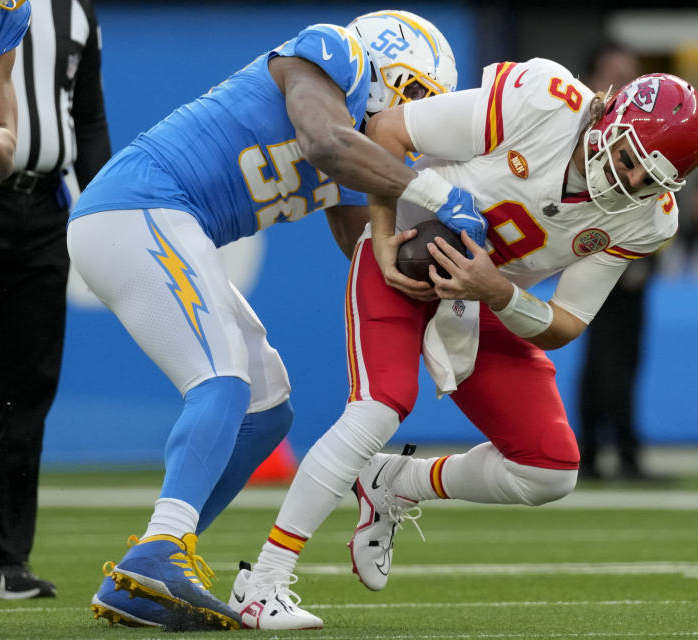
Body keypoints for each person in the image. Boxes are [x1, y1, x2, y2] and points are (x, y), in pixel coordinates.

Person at [230, 60, 698, 629]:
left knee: (550, 469)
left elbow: (565, 324)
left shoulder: (647, 219)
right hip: (407, 258)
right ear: (609, 114)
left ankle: (395, 482)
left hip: (484, 301)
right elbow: (388, 132)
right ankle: (261, 582)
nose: (630, 183)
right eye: (631, 160)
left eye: (649, 180)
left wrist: (499, 292)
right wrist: (383, 238)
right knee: (379, 406)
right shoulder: (543, 103)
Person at [67, 10, 480, 632]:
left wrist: (443, 281)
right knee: (223, 380)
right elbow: (324, 143)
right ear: (386, 68)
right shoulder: (332, 50)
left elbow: (367, 247)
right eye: (414, 94)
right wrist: (433, 194)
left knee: (266, 408)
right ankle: (158, 555)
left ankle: (150, 561)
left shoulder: (359, 143)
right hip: (139, 207)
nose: (412, 115)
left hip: (171, 225)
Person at [0, 0, 98, 602]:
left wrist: (105, 215)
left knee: (27, 390)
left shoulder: (67, 9)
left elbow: (89, 115)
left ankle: (3, 562)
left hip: (46, 206)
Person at [574, 41, 660, 481]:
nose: (625, 86)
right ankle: (595, 451)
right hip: (591, 248)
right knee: (602, 357)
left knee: (625, 357)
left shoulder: (638, 133)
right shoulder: (575, 128)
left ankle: (615, 450)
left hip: (628, 257)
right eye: (615, 75)